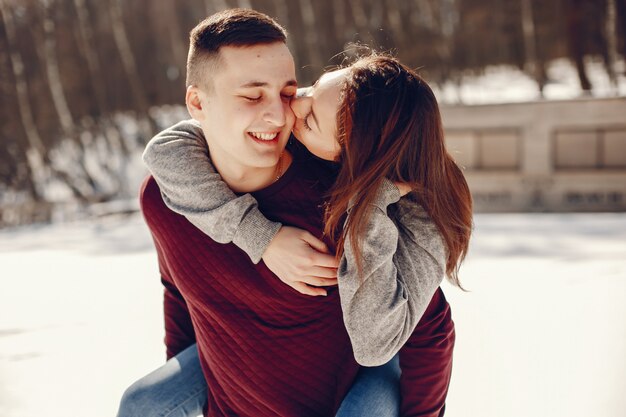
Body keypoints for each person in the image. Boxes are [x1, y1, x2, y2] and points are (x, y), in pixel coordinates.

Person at [119, 8, 472, 417]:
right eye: (253, 96)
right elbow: (181, 290)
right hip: (238, 391)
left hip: (348, 386)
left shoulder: (342, 203)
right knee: (141, 405)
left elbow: (426, 330)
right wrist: (261, 237)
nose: (282, 112)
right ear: (197, 102)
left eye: (287, 92)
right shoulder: (169, 195)